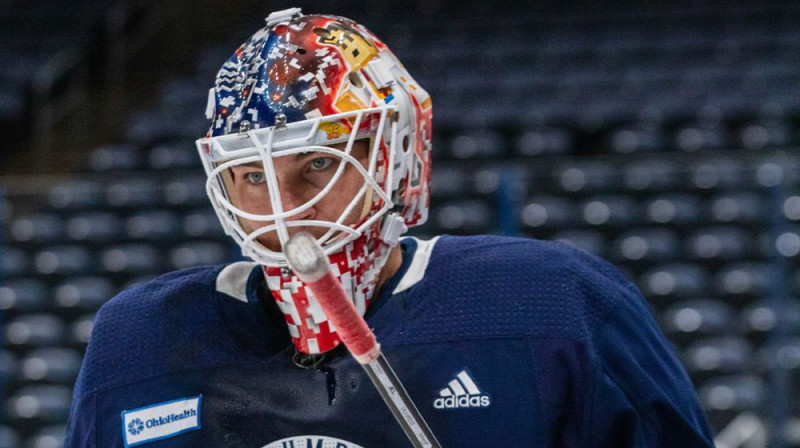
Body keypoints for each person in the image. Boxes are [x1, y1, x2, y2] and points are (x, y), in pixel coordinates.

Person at [65, 7, 715, 447]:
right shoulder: (138, 345)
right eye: (253, 176)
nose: (286, 208)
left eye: (318, 163)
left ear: (395, 159)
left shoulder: (556, 308)